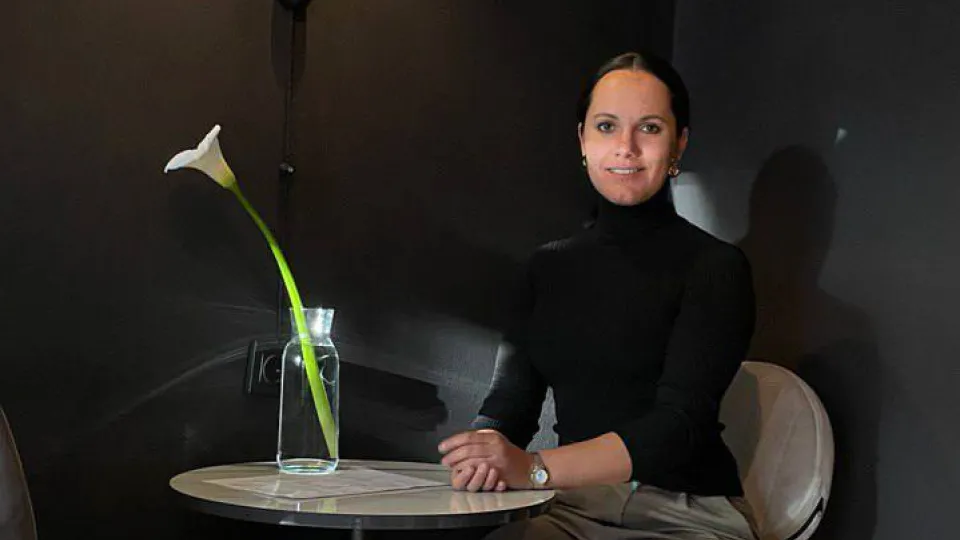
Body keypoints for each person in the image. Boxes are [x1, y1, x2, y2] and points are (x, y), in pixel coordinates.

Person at [437, 51, 759, 540]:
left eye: (649, 128)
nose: (626, 147)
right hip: (569, 505)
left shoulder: (716, 266)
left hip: (683, 516)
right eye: (607, 127)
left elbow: (678, 427)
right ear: (582, 140)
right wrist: (483, 450)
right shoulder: (546, 268)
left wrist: (535, 468)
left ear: (679, 143)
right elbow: (510, 404)